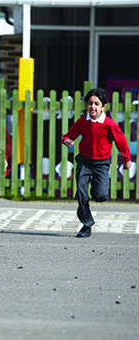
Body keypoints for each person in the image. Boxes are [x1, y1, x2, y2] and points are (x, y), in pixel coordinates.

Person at [62, 87, 132, 238]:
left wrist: (127, 159)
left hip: (101, 164)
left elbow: (121, 142)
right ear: (86, 105)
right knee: (81, 193)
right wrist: (66, 140)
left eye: (96, 103)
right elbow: (69, 135)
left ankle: (93, 186)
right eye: (89, 103)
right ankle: (86, 225)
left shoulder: (109, 124)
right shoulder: (82, 122)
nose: (92, 107)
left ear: (103, 106)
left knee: (100, 195)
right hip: (84, 161)